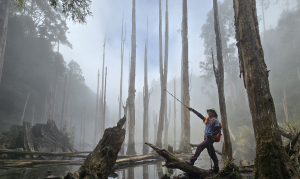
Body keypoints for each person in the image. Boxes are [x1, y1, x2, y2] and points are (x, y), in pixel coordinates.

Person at [185, 107, 220, 173]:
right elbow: (200, 115)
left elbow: (217, 129)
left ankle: (192, 161)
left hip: (210, 138)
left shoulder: (215, 120)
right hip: (207, 138)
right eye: (208, 111)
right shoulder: (207, 120)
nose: (209, 112)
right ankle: (216, 167)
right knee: (211, 153)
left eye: (210, 111)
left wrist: (212, 134)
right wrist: (192, 110)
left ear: (214, 113)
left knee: (199, 146)